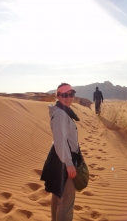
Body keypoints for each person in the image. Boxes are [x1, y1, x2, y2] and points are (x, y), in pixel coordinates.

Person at [40, 83, 80, 221]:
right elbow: (60, 142)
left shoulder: (62, 111)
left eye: (71, 94)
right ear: (57, 96)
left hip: (60, 159)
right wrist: (69, 163)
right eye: (64, 95)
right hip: (63, 161)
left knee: (58, 196)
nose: (68, 98)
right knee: (66, 201)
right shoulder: (60, 114)